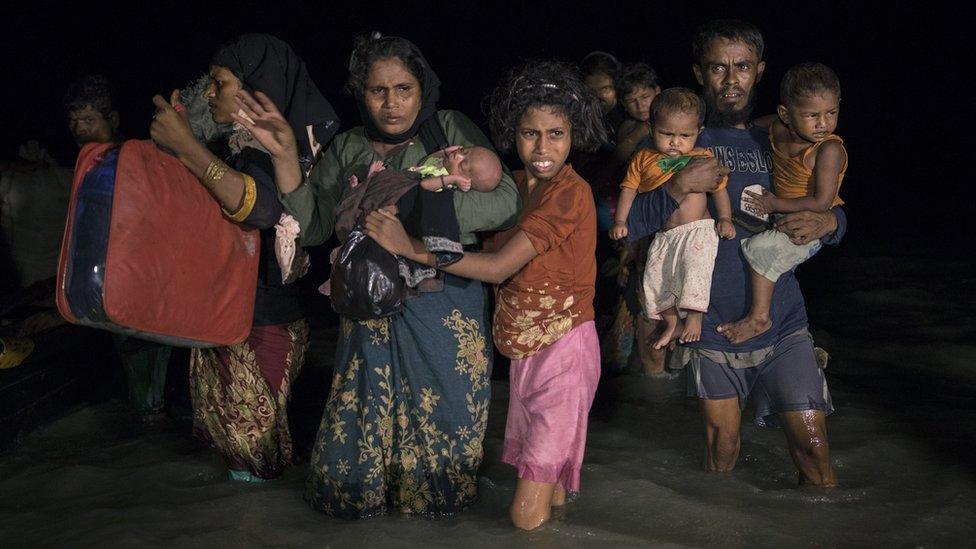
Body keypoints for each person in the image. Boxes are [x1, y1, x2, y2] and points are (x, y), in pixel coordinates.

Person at [250, 33, 518, 517]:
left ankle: (437, 524)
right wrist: (285, 155)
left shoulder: (449, 129)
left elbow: (503, 203)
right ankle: (361, 517)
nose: (392, 102)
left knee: (444, 428)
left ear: (423, 88)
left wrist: (413, 215)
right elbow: (311, 227)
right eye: (378, 91)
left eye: (404, 89)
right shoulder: (350, 145)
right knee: (360, 424)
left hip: (444, 304)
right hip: (369, 301)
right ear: (361, 92)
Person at [366, 59, 605, 530]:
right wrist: (443, 173)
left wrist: (409, 248)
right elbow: (447, 206)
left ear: (573, 135)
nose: (542, 147)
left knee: (523, 516)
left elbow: (496, 268)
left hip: (565, 346)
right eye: (530, 134)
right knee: (550, 494)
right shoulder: (513, 189)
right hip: (523, 349)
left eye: (555, 134)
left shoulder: (569, 193)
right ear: (512, 135)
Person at [625, 19, 844, 485]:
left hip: (783, 320)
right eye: (718, 67)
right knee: (721, 452)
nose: (730, 79)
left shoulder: (783, 134)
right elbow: (632, 227)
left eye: (742, 66)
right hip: (712, 327)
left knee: (814, 449)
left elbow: (833, 205)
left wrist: (832, 223)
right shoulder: (675, 140)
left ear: (759, 71)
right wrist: (679, 184)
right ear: (699, 73)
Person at [149, 33, 339, 481]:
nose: (210, 93)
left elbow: (259, 209)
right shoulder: (233, 145)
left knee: (251, 467)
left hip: (261, 324)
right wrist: (181, 135)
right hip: (228, 317)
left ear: (257, 89)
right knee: (234, 459)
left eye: (221, 83)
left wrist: (186, 146)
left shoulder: (276, 151)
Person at [719, 62, 847, 344]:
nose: (823, 123)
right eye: (812, 115)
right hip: (786, 221)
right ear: (786, 114)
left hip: (806, 225)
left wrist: (775, 203)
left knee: (760, 250)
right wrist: (746, 128)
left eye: (832, 113)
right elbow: (763, 124)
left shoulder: (828, 149)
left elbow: (822, 201)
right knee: (763, 251)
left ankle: (759, 318)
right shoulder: (778, 128)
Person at [611, 88, 734, 348]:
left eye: (685, 135)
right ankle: (670, 321)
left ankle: (694, 318)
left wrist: (725, 218)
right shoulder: (643, 159)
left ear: (698, 132)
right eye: (667, 134)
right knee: (655, 280)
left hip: (697, 230)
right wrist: (621, 222)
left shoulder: (702, 157)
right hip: (665, 235)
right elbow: (629, 190)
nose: (675, 142)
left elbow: (720, 189)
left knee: (695, 270)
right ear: (651, 128)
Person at [613, 63, 661, 165]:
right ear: (623, 104)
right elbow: (618, 158)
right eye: (631, 101)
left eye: (645, 97)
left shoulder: (672, 115)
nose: (640, 106)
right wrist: (638, 134)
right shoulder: (627, 127)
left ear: (657, 91)